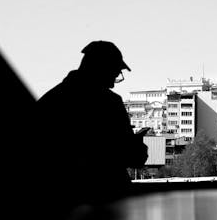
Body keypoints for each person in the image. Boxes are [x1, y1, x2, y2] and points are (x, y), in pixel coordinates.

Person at [34, 40, 148, 216]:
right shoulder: (110, 103)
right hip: (108, 199)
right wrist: (138, 145)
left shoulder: (50, 100)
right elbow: (132, 156)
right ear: (104, 69)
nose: (114, 81)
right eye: (115, 73)